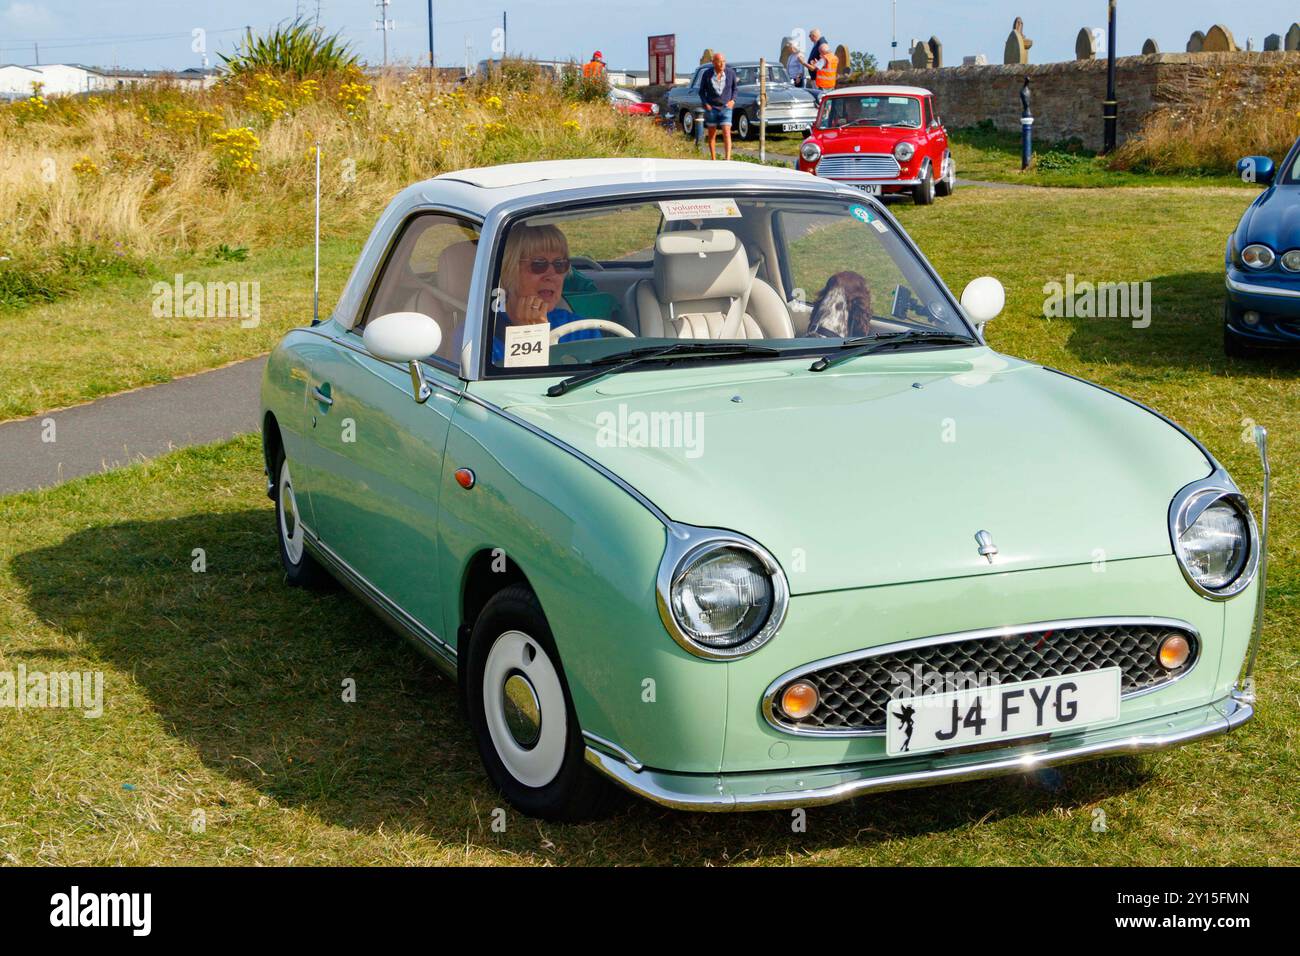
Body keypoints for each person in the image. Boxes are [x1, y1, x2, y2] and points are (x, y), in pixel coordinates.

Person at [492, 224, 601, 364]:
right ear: (509, 270)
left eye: (560, 264)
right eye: (538, 265)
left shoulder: (582, 330)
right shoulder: (480, 337)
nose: (551, 275)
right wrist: (529, 337)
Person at [699, 51, 738, 161]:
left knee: (726, 131)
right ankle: (713, 158)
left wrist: (733, 100)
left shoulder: (731, 73)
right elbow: (701, 92)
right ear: (713, 63)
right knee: (712, 134)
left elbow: (735, 89)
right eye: (719, 62)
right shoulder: (707, 74)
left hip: (726, 107)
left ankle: (727, 158)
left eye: (723, 61)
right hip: (712, 108)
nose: (722, 64)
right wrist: (706, 103)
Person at [800, 29, 838, 104]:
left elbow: (813, 68)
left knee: (822, 103)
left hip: (822, 85)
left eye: (820, 52)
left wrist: (803, 62)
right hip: (831, 84)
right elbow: (826, 67)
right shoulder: (834, 57)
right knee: (829, 102)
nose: (819, 55)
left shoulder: (824, 59)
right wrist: (817, 63)